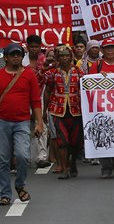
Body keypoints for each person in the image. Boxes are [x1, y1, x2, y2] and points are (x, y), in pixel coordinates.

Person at [0, 43, 44, 205]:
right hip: (2, 122)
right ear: (6, 57)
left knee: (22, 156)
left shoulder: (29, 75)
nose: (16, 57)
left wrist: (39, 123)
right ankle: (5, 194)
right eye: (13, 55)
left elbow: (35, 100)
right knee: (2, 159)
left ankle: (20, 185)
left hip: (22, 122)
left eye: (19, 54)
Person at [89, 38, 114, 178]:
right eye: (107, 48)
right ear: (102, 50)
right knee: (102, 135)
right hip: (101, 108)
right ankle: (106, 167)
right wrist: (97, 77)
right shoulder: (97, 66)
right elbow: (88, 85)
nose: (110, 50)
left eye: (112, 47)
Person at [43, 45, 85, 179]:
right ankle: (65, 167)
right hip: (58, 111)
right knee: (62, 141)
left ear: (71, 57)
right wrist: (44, 110)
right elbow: (47, 91)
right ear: (58, 58)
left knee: (75, 142)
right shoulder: (52, 73)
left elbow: (87, 88)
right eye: (61, 56)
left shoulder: (79, 72)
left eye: (67, 55)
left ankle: (72, 163)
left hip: (76, 111)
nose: (64, 58)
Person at [22, 35, 50, 169]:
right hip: (24, 96)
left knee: (41, 125)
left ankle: (42, 156)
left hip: (41, 94)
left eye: (36, 47)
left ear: (40, 47)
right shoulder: (22, 61)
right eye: (31, 46)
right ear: (27, 47)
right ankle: (25, 156)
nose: (34, 49)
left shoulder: (45, 60)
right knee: (25, 126)